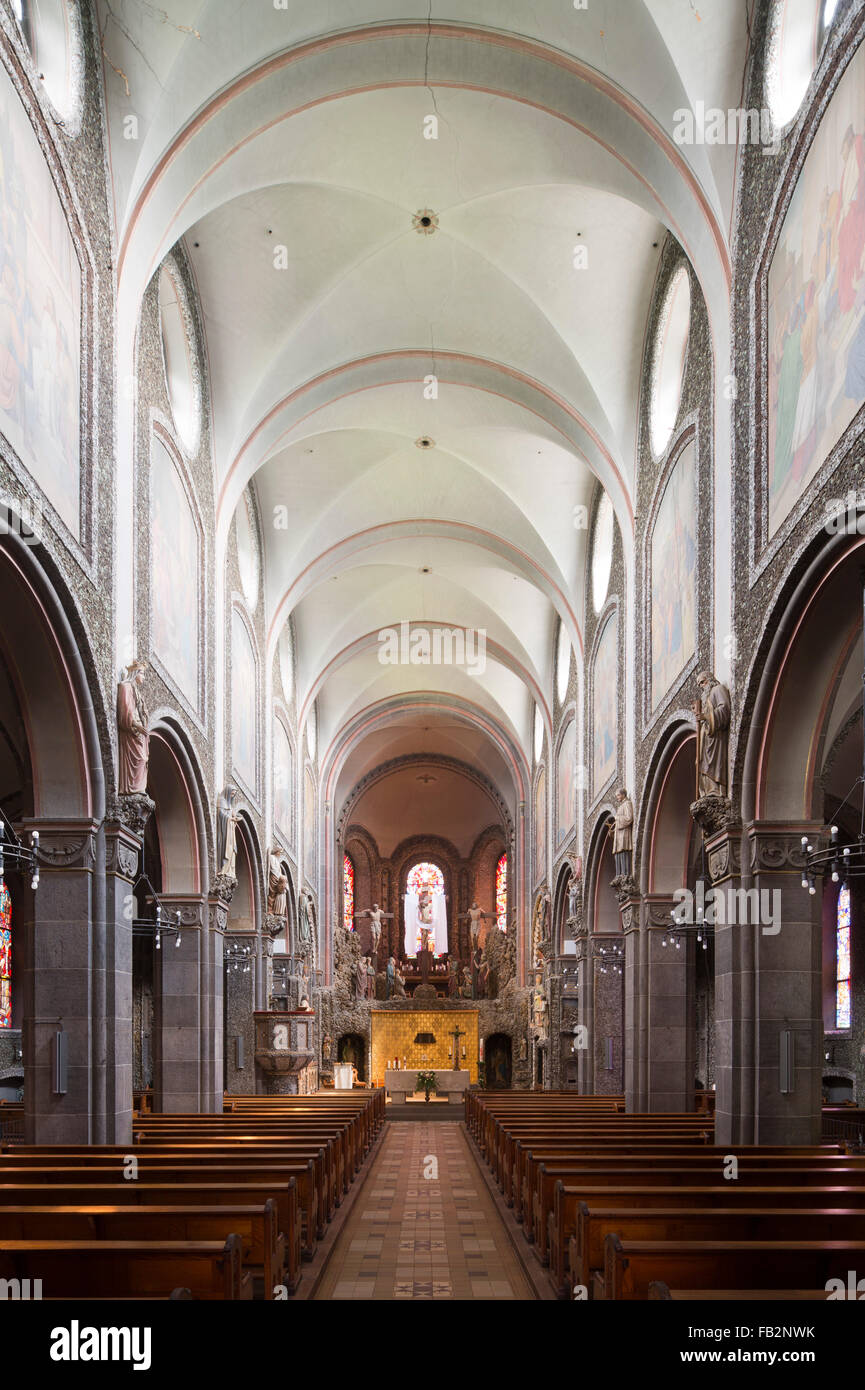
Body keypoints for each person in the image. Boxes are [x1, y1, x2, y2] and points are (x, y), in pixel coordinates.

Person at [693, 672, 731, 798]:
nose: (702, 686)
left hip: (715, 735)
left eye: (702, 682)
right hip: (707, 735)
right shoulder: (707, 696)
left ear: (710, 680)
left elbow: (724, 709)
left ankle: (716, 789)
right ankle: (708, 791)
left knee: (713, 762)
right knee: (702, 762)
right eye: (699, 685)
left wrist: (706, 716)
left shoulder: (718, 689)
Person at [117, 661, 150, 795]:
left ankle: (138, 789)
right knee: (140, 758)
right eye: (142, 673)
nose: (144, 677)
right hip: (131, 731)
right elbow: (125, 711)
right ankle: (130, 789)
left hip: (139, 733)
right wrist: (136, 725)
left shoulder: (136, 691)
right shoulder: (126, 687)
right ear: (135, 673)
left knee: (144, 759)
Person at [612, 789, 633, 878]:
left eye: (618, 795)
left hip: (624, 833)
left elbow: (629, 818)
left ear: (623, 794)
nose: (617, 798)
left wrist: (617, 818)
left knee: (623, 851)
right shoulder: (621, 806)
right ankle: (619, 874)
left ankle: (625, 874)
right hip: (619, 834)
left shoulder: (627, 804)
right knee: (617, 853)